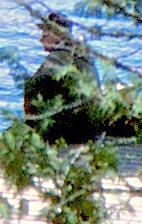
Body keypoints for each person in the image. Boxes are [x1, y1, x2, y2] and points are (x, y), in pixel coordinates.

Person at [25, 11, 107, 145]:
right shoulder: (81, 53)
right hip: (93, 123)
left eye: (45, 34)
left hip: (76, 128)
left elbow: (35, 84)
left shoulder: (60, 56)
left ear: (58, 34)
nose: (41, 40)